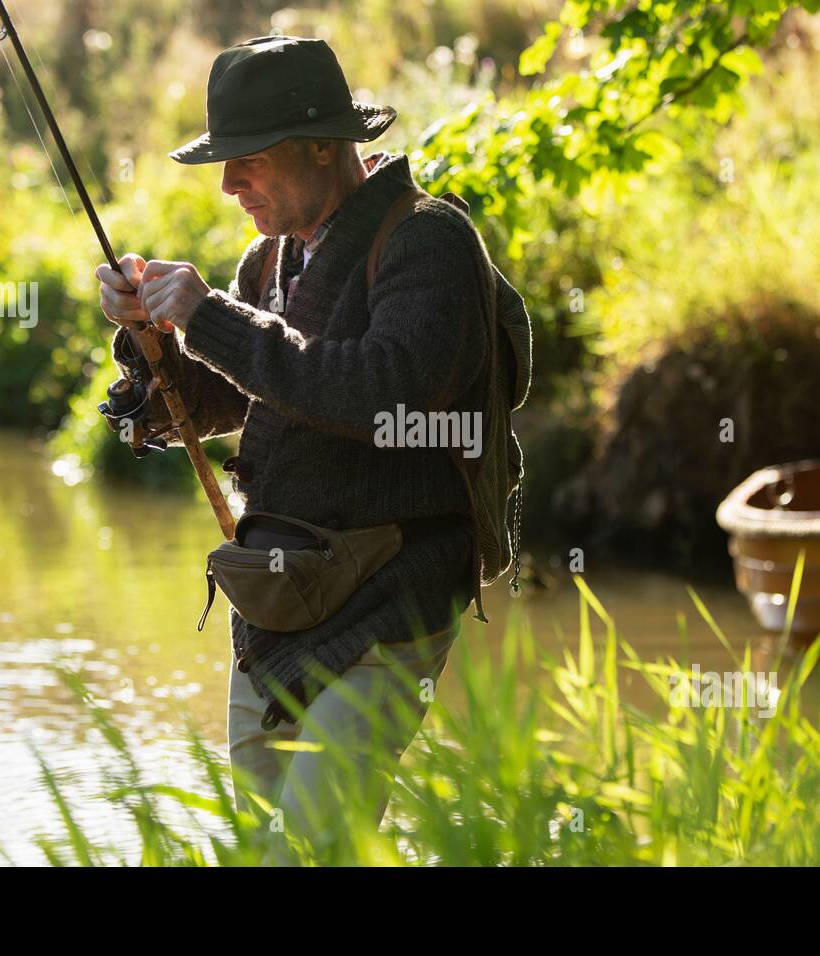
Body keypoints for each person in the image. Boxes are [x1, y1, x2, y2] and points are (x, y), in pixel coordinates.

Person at [95, 35, 525, 860]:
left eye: (247, 160)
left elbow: (384, 391)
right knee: (263, 844)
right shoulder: (272, 257)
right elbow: (246, 396)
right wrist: (153, 335)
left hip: (395, 582)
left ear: (325, 145)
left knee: (320, 838)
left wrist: (211, 316)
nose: (228, 185)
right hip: (281, 594)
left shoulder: (429, 242)